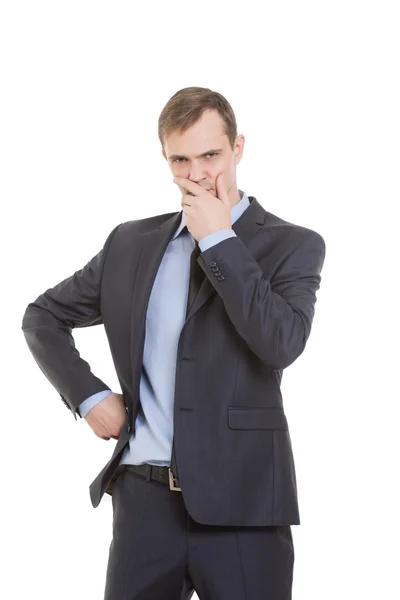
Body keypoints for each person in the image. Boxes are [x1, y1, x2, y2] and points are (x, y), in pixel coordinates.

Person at [21, 86, 326, 599]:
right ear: (165, 158)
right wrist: (90, 398)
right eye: (180, 160)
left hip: (243, 510)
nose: (198, 173)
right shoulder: (130, 243)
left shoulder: (292, 244)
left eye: (212, 155)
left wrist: (219, 240)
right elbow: (43, 316)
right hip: (144, 506)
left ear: (239, 148)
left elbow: (282, 343)